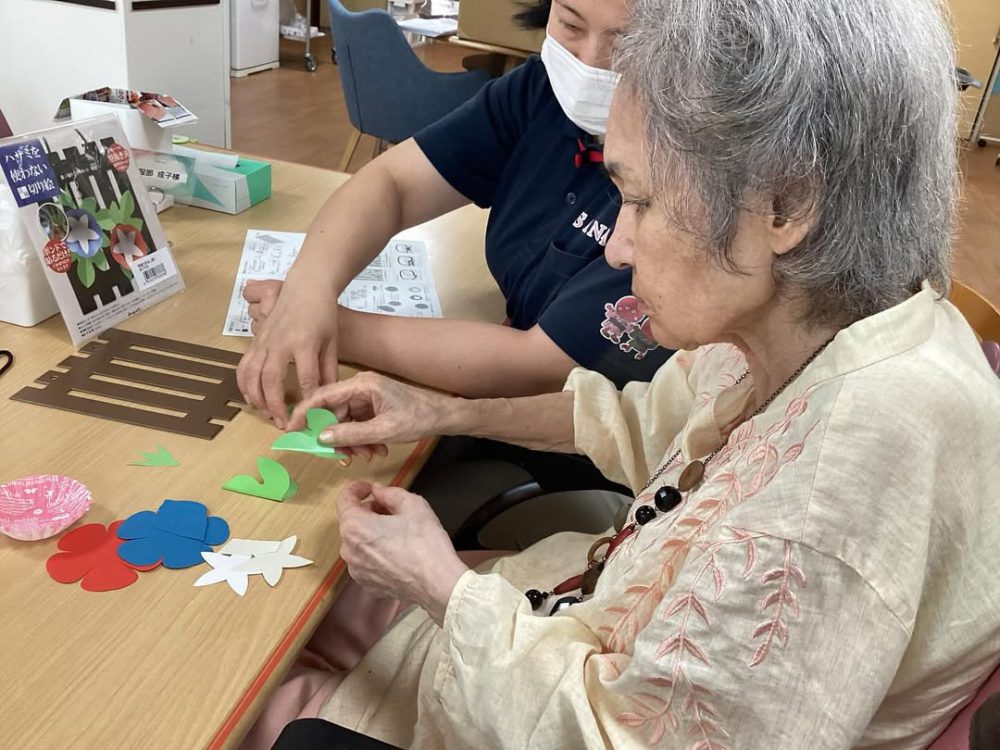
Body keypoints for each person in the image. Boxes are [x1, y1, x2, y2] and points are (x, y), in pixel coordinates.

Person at [240, 0, 1000, 747]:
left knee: (243, 694)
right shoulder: (805, 322)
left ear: (785, 203)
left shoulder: (824, 502)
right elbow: (636, 418)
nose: (616, 246)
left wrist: (438, 585)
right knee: (305, 610)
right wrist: (441, 413)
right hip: (579, 603)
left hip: (563, 696)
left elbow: (625, 733)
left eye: (640, 200)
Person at [235, 0, 671, 432]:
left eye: (626, 44)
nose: (590, 63)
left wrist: (333, 327)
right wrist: (308, 289)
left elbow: (542, 367)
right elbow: (394, 181)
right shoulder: (540, 93)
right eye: (571, 26)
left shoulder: (683, 176)